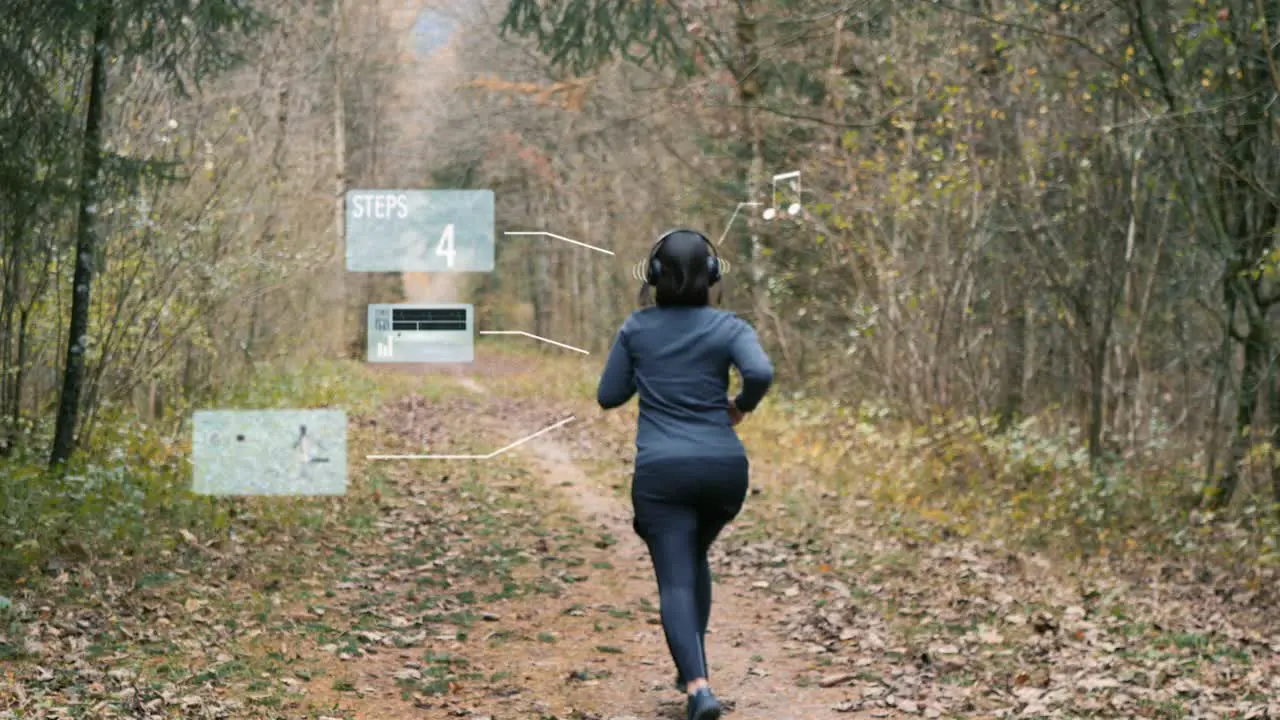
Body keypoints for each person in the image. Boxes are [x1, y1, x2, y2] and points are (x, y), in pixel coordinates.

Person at [597, 229, 774, 720]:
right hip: (724, 472)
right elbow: (760, 373)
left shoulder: (637, 329)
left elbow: (608, 394)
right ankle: (690, 660)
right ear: (712, 276)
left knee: (675, 578)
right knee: (694, 555)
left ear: (653, 277)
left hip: (662, 473)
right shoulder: (731, 327)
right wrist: (740, 406)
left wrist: (645, 368)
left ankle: (698, 688)